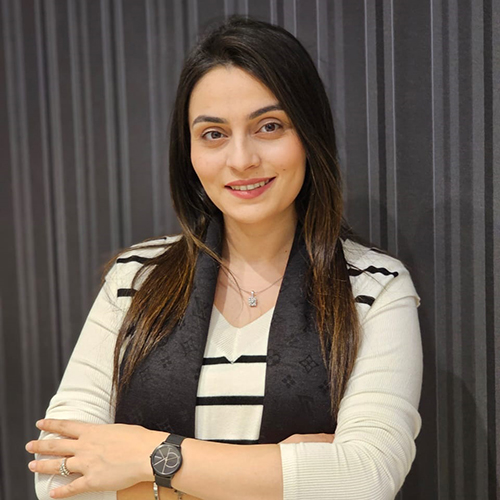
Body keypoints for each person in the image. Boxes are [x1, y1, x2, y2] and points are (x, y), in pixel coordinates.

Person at [26, 15, 423, 500]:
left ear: (309, 134)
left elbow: (364, 478)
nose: (241, 159)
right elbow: (57, 473)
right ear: (189, 151)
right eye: (213, 134)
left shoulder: (374, 286)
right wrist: (281, 475)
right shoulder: (136, 279)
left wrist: (144, 456)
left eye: (269, 126)